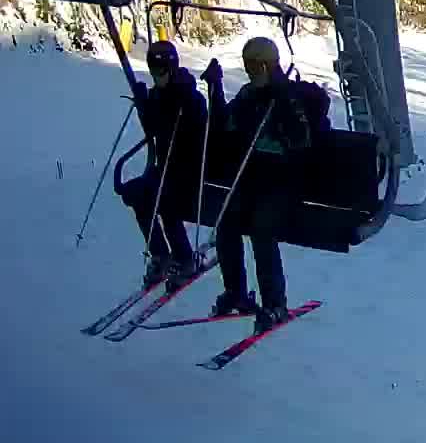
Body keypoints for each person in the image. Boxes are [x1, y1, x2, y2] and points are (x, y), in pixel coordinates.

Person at [206, 37, 328, 334]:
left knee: (262, 228)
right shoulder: (249, 95)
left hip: (285, 183)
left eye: (255, 66)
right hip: (254, 180)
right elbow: (225, 125)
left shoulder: (287, 97)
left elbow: (303, 142)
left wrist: (281, 126)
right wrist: (215, 89)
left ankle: (275, 303)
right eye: (247, 66)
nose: (250, 73)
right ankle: (236, 291)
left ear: (268, 65)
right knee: (226, 222)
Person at [116, 40, 208, 290]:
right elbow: (154, 128)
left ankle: (184, 257)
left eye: (162, 72)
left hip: (189, 168)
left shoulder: (190, 96)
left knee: (165, 200)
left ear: (172, 67)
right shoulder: (158, 94)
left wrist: (177, 111)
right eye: (154, 72)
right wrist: (144, 104)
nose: (158, 78)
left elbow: (199, 133)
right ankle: (160, 254)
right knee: (138, 194)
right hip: (165, 166)